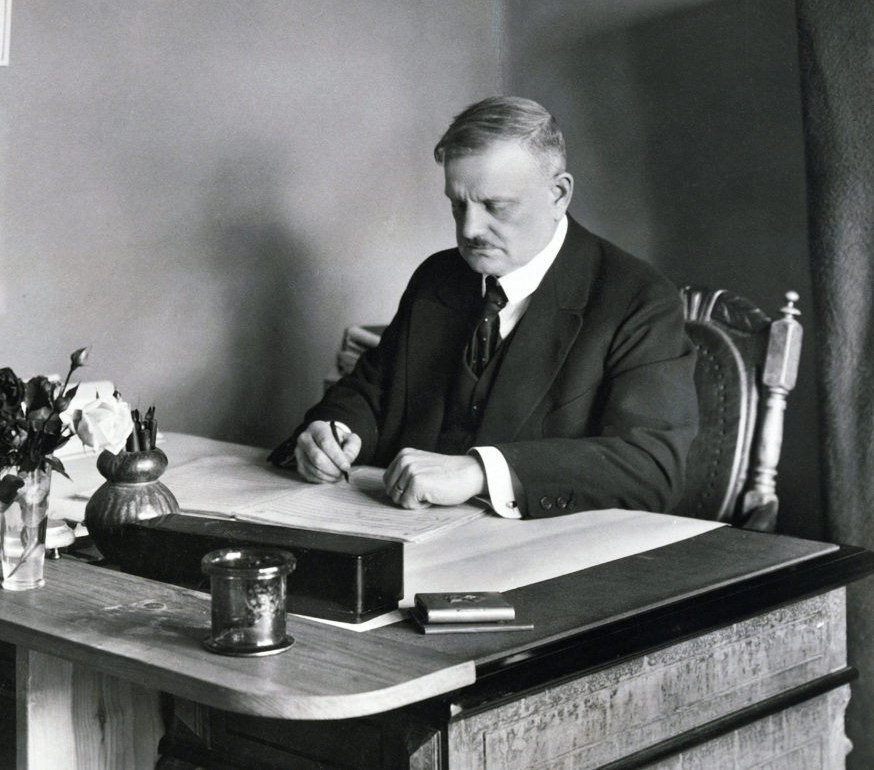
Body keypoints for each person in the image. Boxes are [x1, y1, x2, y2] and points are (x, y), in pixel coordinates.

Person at [274, 96, 698, 519]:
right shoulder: (438, 277)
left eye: (496, 206)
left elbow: (652, 468)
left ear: (559, 194)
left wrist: (481, 471)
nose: (470, 229)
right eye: (458, 205)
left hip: (539, 559)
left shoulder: (636, 298)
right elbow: (373, 389)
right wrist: (332, 434)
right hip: (404, 534)